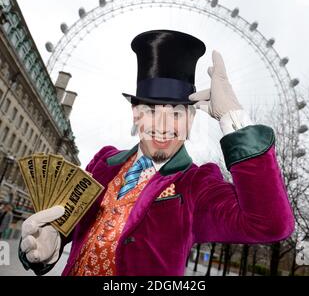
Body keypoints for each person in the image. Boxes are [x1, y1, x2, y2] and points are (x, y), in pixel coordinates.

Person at [19, 29, 294, 276]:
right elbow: (66, 223)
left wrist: (233, 118)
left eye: (176, 113)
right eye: (150, 111)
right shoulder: (103, 162)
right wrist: (49, 246)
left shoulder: (197, 184)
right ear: (135, 115)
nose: (162, 126)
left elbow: (271, 224)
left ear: (191, 120)